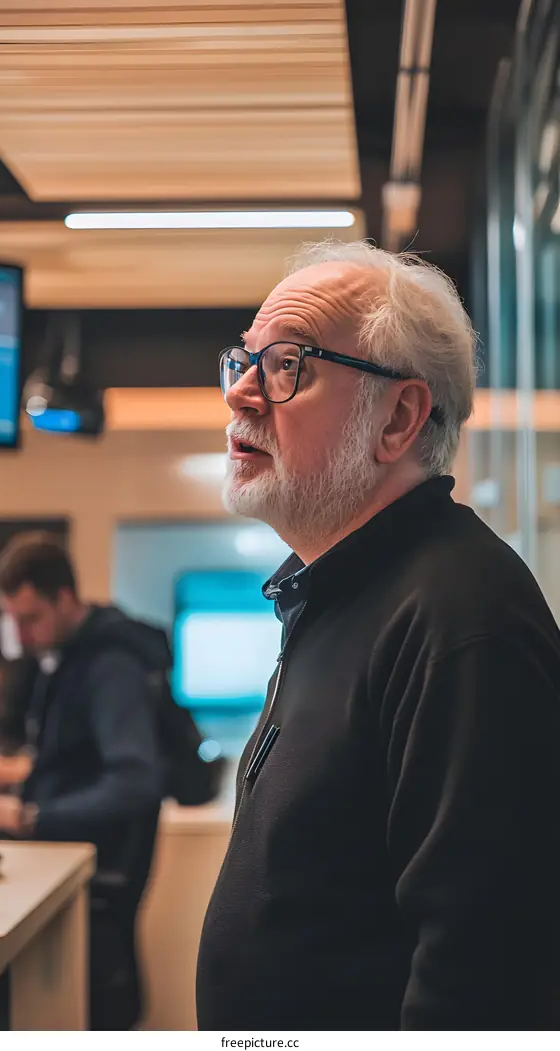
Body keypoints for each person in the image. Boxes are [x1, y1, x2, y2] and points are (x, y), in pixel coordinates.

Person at [196, 240, 560, 1032]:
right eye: (244, 361)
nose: (242, 394)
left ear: (397, 418)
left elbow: (482, 980)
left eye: (287, 365)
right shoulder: (339, 593)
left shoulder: (462, 620)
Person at [0, 533, 164, 1030]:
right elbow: (79, 758)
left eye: (30, 618)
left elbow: (136, 780)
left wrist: (31, 815)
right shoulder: (67, 658)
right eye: (13, 619)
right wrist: (24, 772)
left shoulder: (109, 666)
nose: (20, 633)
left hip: (97, 880)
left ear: (65, 598)